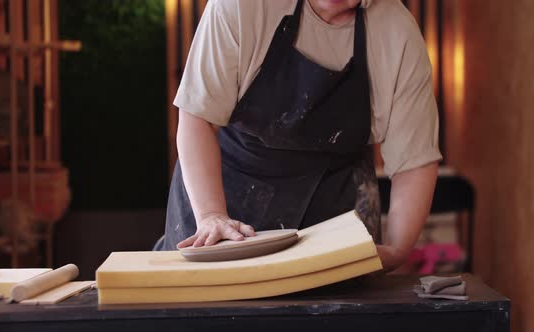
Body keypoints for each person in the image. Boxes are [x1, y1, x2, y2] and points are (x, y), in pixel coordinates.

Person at [155, 0, 441, 273]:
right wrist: (210, 215)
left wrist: (396, 250)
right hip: (225, 196)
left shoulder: (397, 33)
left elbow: (413, 163)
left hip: (334, 208)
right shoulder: (242, 6)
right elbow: (197, 118)